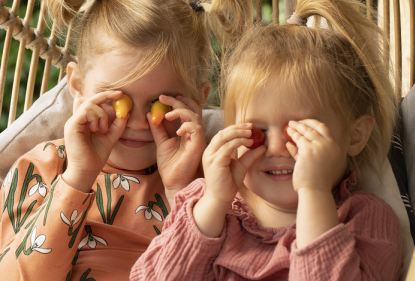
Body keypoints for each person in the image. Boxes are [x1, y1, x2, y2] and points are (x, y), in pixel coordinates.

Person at [131, 0, 403, 280]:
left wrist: (314, 193)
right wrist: (213, 203)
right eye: (257, 133)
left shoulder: (368, 220)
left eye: (297, 132)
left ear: (355, 136)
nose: (275, 148)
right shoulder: (204, 203)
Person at [0, 0, 253, 280]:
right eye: (118, 100)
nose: (135, 122)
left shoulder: (218, 181)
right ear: (78, 87)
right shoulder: (42, 169)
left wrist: (182, 192)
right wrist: (77, 179)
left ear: (199, 99)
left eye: (159, 103)